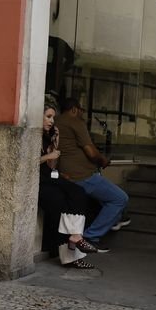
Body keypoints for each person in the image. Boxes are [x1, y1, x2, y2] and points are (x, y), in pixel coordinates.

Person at [56, 97, 129, 251]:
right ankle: (91, 237)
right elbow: (91, 151)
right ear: (74, 109)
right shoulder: (75, 121)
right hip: (82, 175)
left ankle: (116, 219)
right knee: (120, 199)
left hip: (67, 173)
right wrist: (103, 160)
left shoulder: (57, 121)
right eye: (81, 110)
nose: (82, 114)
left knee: (110, 200)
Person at [39, 104, 97, 270]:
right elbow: (26, 161)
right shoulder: (31, 135)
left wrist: (55, 143)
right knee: (60, 205)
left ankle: (76, 237)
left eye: (53, 117)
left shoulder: (48, 136)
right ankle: (72, 256)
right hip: (37, 181)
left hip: (49, 176)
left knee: (78, 192)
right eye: (48, 117)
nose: (51, 121)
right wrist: (48, 156)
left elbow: (52, 165)